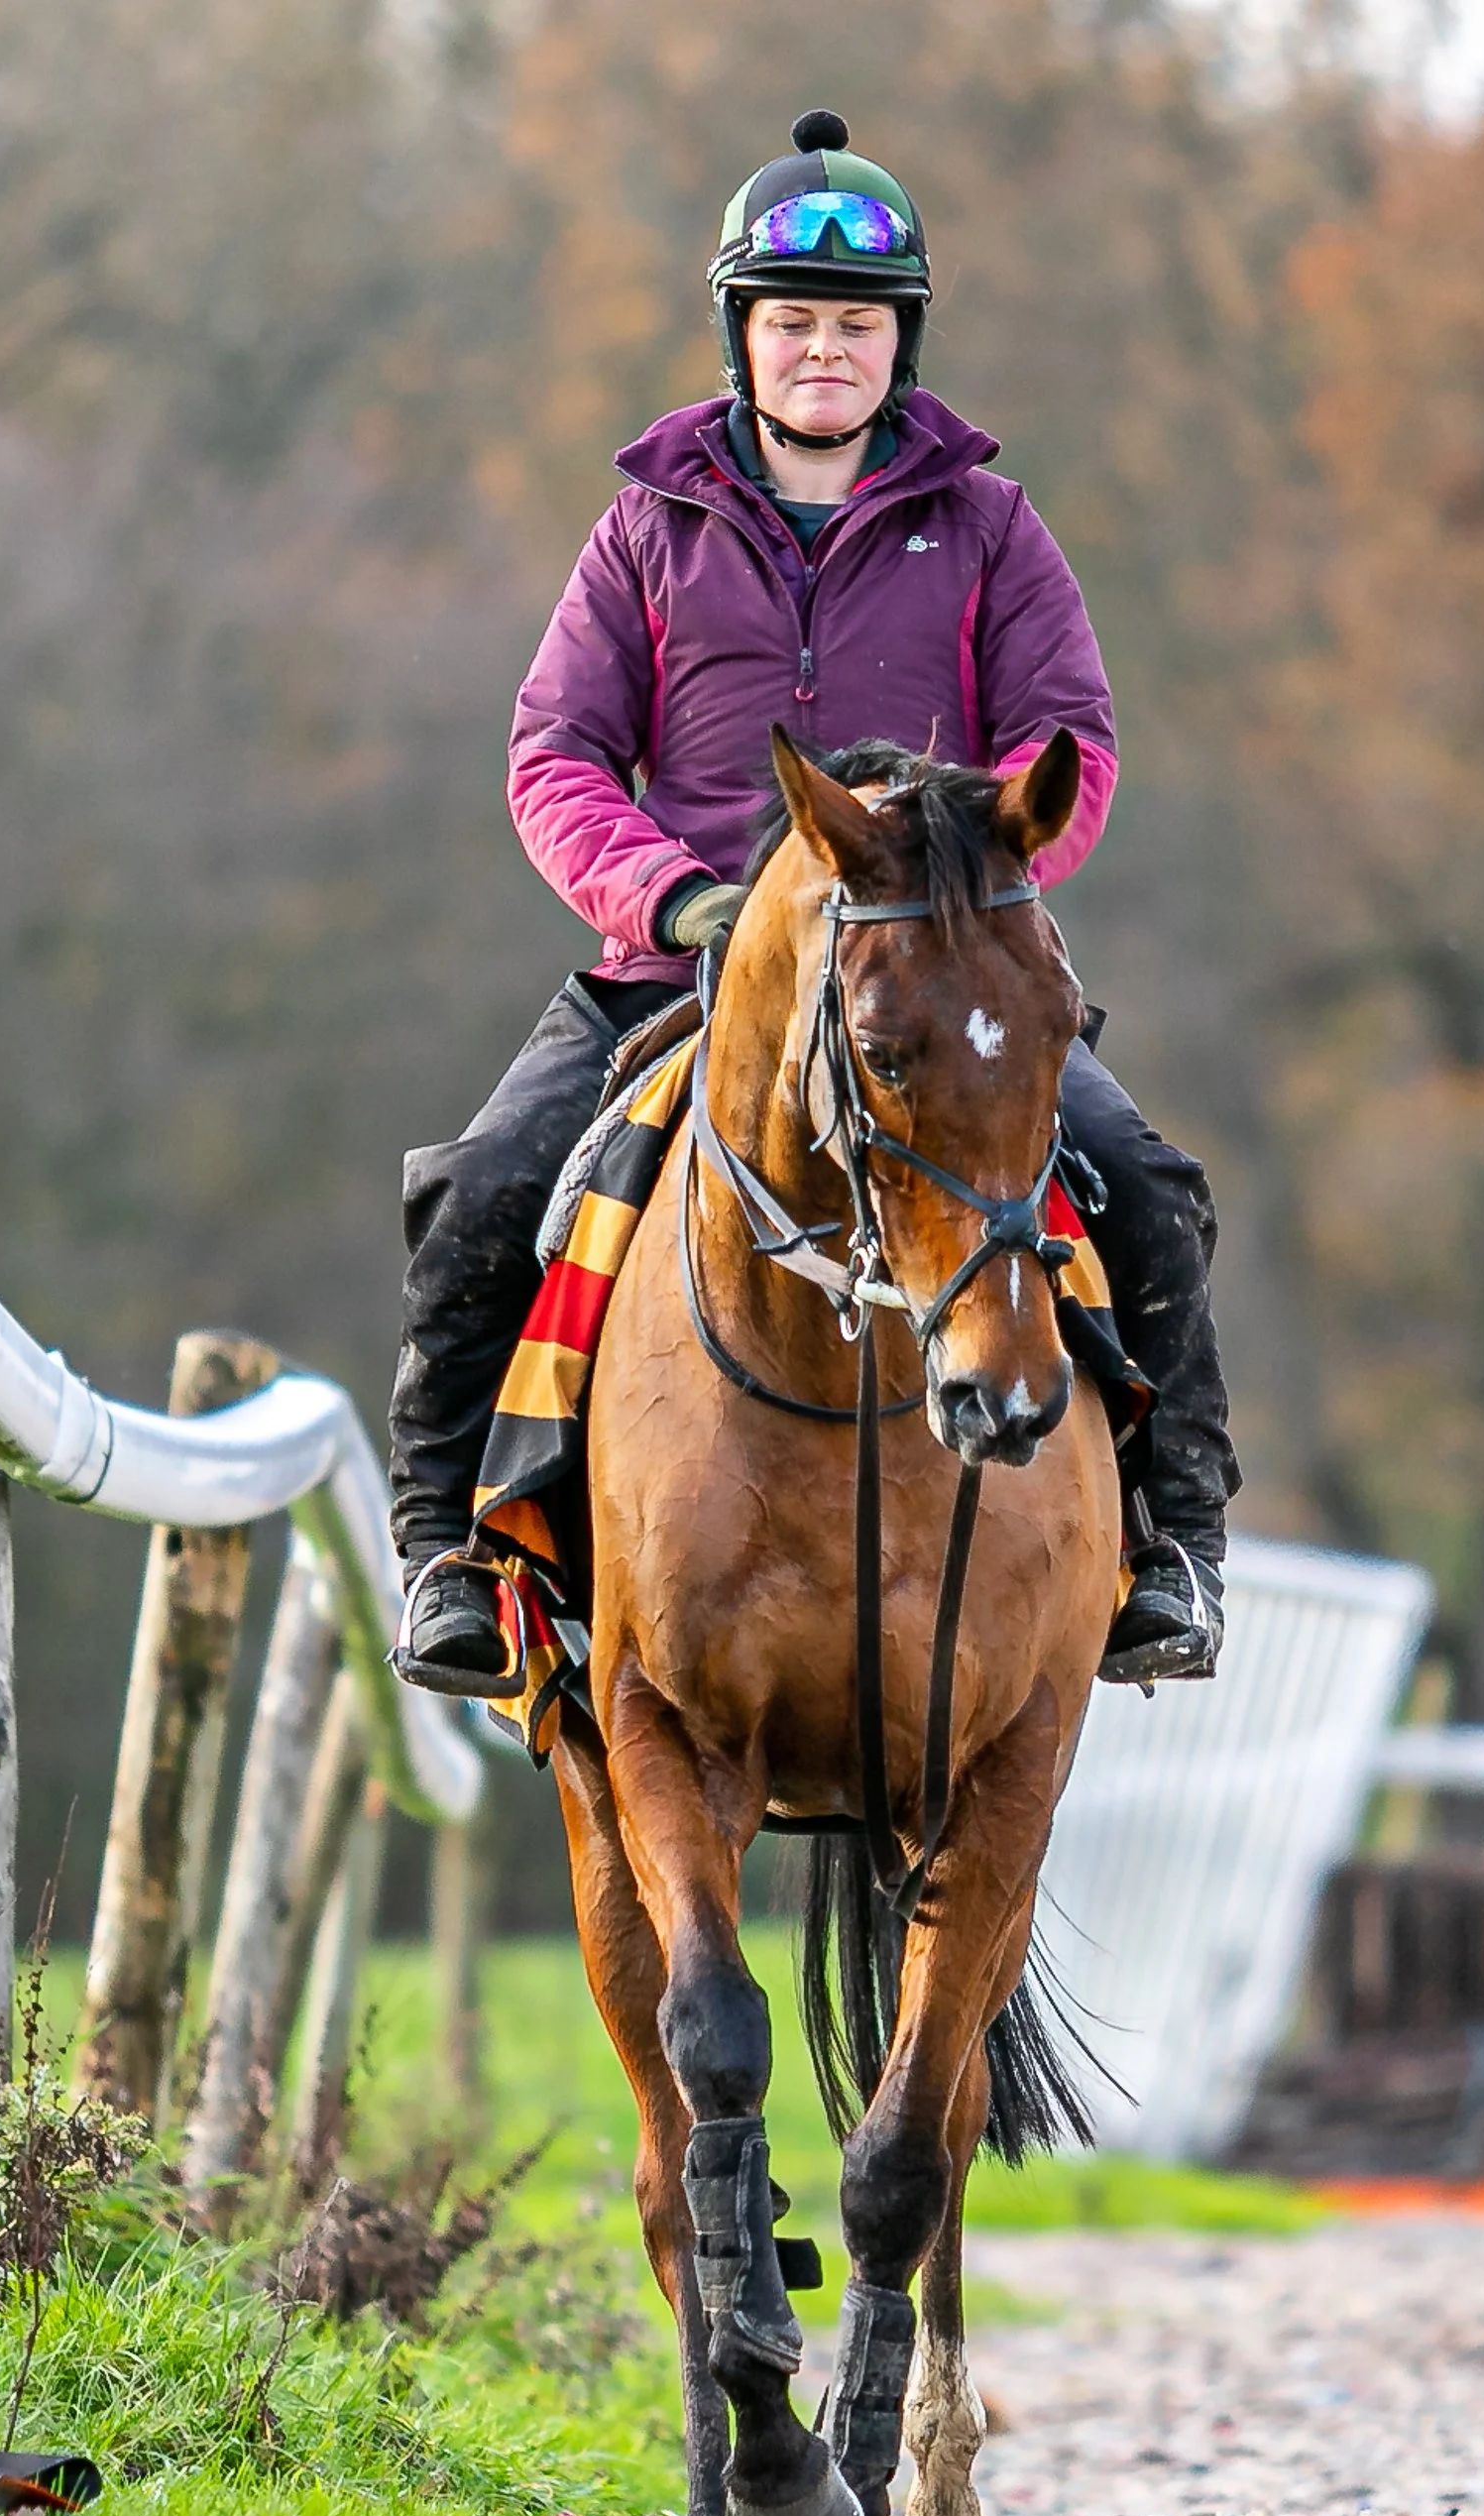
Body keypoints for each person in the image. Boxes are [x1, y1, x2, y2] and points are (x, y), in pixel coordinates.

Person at [389, 109, 1237, 1697]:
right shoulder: (648, 524)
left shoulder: (990, 526)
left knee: (1143, 1176)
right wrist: (673, 899)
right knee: (485, 1187)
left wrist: (967, 883)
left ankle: (1173, 1544)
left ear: (896, 343)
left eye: (855, 325)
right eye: (795, 325)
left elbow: (1074, 743)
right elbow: (553, 749)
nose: (824, 352)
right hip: (683, 965)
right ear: (744, 341)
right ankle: (451, 1553)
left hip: (927, 976)